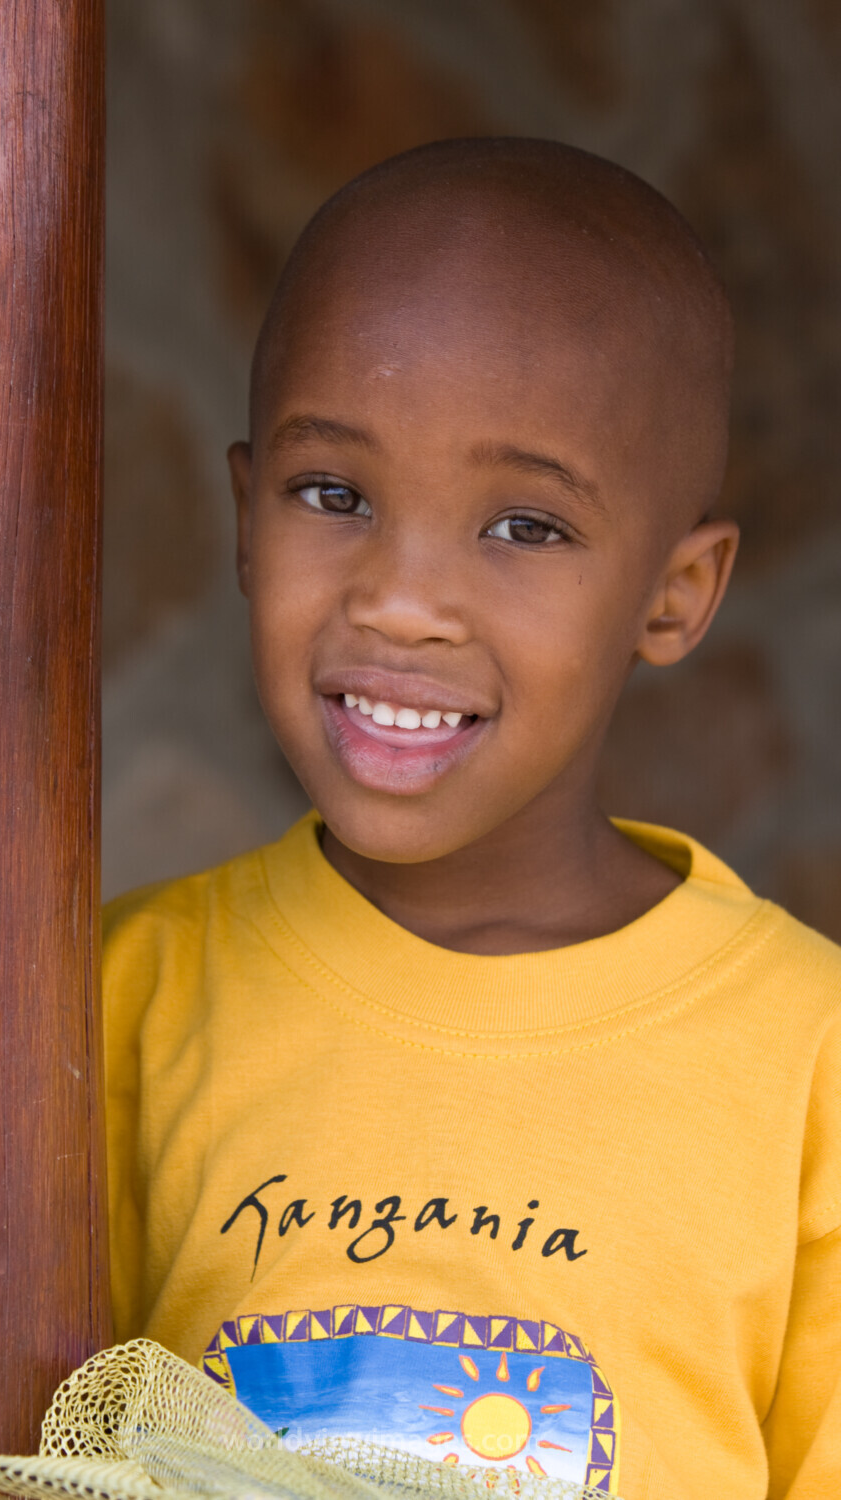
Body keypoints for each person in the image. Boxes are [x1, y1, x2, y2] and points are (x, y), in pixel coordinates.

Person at [102, 139, 841, 1499]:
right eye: (334, 496)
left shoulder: (810, 1060)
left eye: (525, 527)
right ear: (247, 520)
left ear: (676, 593)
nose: (400, 602)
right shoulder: (115, 1003)